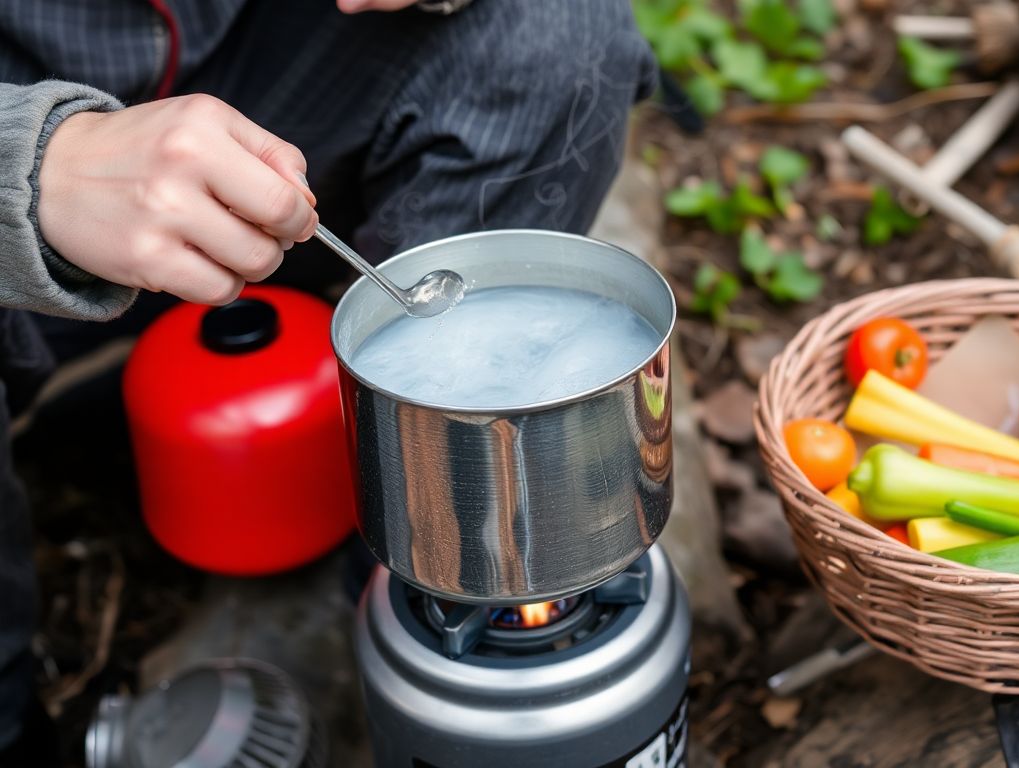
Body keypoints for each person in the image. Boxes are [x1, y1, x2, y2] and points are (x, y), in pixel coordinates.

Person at [0, 0, 657, 761]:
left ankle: (424, 565)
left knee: (559, 36)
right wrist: (30, 167)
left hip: (255, 92)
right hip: (32, 167)